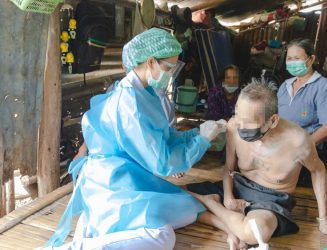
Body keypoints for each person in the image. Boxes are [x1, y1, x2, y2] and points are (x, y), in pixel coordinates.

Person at [45, 28, 225, 250]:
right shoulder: (129, 104)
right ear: (150, 61)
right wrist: (203, 141)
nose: (171, 72)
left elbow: (164, 137)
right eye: (169, 67)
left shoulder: (143, 92)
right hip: (113, 183)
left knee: (182, 208)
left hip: (126, 177)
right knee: (162, 236)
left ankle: (94, 230)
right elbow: (163, 163)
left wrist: (197, 133)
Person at [187, 81, 327, 250]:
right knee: (176, 197)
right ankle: (231, 228)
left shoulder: (298, 141)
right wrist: (229, 197)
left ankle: (209, 203)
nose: (241, 126)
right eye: (238, 117)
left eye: (249, 122)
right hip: (238, 186)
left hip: (271, 198)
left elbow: (318, 171)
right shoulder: (233, 126)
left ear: (272, 120)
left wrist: (324, 219)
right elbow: (229, 168)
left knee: (254, 233)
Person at [277, 38, 327, 186]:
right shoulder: (285, 86)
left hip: (312, 147)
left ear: (311, 59)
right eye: (289, 58)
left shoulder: (322, 86)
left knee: (283, 181)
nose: (292, 62)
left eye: (297, 58)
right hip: (286, 146)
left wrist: (300, 148)